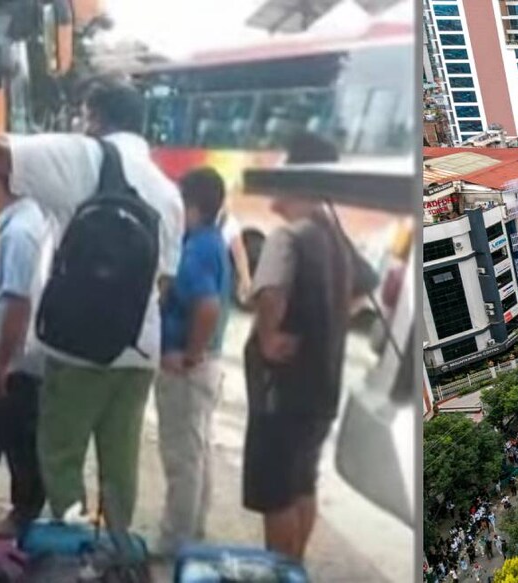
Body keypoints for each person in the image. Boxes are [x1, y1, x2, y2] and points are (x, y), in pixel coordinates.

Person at [0, 78, 186, 532]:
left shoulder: (85, 156)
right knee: (120, 463)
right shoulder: (168, 190)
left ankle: (72, 553)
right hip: (139, 351)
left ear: (95, 117)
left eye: (85, 116)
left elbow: (1, 153)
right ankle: (115, 548)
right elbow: (163, 281)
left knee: (61, 455)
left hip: (77, 348)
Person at [242, 133, 378, 560]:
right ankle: (295, 565)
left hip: (282, 392)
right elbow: (365, 288)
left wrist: (267, 337)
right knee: (303, 481)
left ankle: (281, 570)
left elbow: (270, 292)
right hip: (323, 387)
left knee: (277, 492)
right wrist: (332, 319)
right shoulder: (335, 238)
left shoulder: (290, 237)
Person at [154, 167, 232, 556]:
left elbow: (207, 306)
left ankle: (175, 540)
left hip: (189, 369)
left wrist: (188, 355)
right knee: (197, 453)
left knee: (182, 458)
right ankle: (193, 530)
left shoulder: (197, 248)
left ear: (192, 205)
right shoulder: (213, 241)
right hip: (207, 366)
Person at [0, 171, 49, 539]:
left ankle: (25, 513)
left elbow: (18, 303)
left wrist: (2, 363)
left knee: (18, 437)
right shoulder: (23, 222)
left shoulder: (20, 232)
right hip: (10, 354)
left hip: (14, 358)